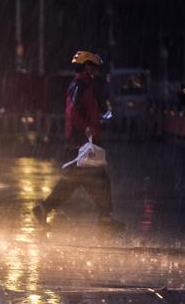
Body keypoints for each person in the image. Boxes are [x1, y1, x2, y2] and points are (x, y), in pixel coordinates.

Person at [33, 51, 123, 230]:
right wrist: (86, 128)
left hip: (82, 142)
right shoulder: (80, 85)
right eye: (92, 66)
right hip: (81, 143)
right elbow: (73, 112)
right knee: (99, 180)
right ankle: (105, 220)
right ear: (85, 66)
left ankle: (44, 209)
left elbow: (85, 111)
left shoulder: (83, 84)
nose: (95, 70)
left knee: (74, 182)